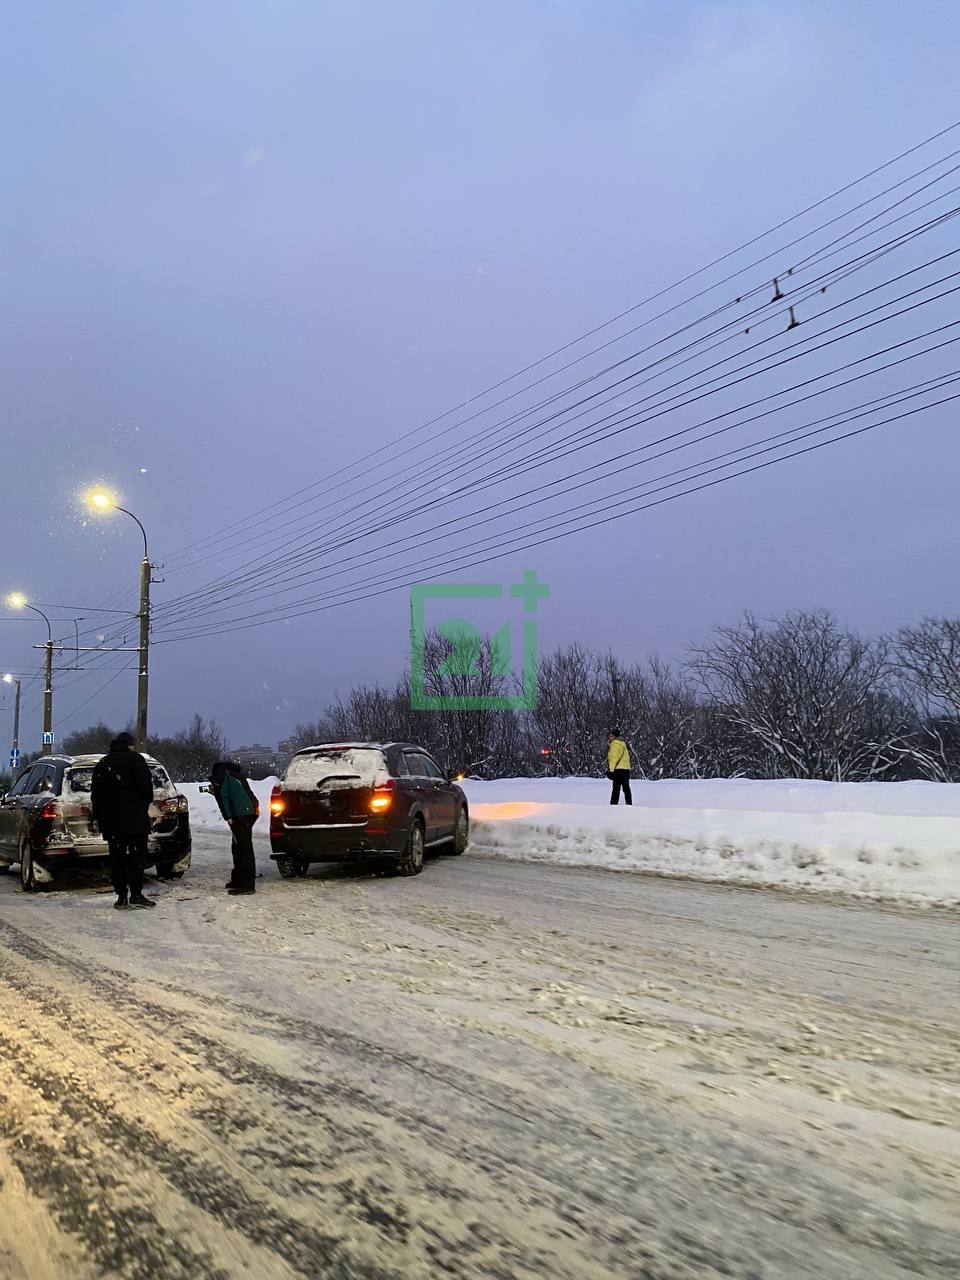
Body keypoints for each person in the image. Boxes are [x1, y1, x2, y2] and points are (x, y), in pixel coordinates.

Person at [90, 731, 156, 909]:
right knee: (136, 859)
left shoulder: (103, 764)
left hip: (112, 824)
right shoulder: (136, 760)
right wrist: (140, 807)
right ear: (129, 745)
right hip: (135, 822)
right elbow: (146, 790)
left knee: (117, 860)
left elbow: (96, 795)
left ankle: (121, 897)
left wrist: (99, 818)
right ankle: (136, 894)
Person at [209, 761, 260, 895]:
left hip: (241, 814)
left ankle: (247, 883)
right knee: (238, 846)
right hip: (249, 811)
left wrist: (228, 816)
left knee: (243, 848)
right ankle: (238, 878)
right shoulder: (234, 774)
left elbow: (224, 797)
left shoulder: (222, 776)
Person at [606, 728, 632, 806]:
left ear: (614, 736)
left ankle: (613, 805)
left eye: (611, 736)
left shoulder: (615, 744)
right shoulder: (623, 744)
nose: (609, 737)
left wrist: (611, 770)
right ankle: (629, 804)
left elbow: (614, 758)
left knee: (616, 788)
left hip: (618, 770)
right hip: (626, 769)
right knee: (626, 788)